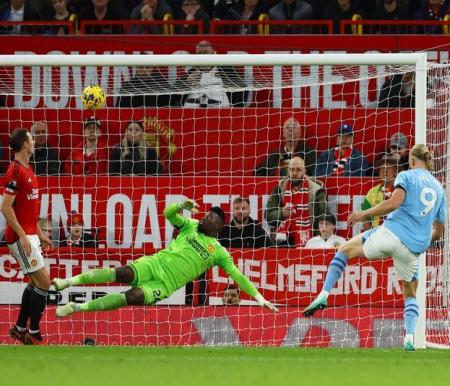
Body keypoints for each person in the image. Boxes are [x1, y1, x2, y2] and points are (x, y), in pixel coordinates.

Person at [303, 144, 446, 352]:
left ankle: (323, 294)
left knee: (344, 250)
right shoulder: (438, 188)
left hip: (391, 234)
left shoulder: (406, 175)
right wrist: (423, 239)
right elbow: (440, 230)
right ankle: (408, 338)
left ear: (412, 161)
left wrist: (364, 214)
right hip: (413, 248)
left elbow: (394, 204)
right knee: (410, 293)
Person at [54, 199, 278, 317]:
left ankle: (77, 307)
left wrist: (259, 298)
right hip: (155, 263)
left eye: (209, 216)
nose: (204, 216)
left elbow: (237, 276)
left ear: (217, 226)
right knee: (120, 273)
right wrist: (182, 205)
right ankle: (68, 282)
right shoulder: (190, 225)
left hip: (165, 284)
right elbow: (168, 214)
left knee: (130, 297)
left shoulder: (219, 251)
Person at [1, 128, 52, 345]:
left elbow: (28, 210)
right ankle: (33, 332)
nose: (34, 142)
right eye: (31, 139)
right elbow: (5, 207)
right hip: (19, 236)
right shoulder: (14, 171)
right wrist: (22, 235)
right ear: (24, 145)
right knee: (44, 281)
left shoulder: (28, 170)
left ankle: (21, 328)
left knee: (35, 281)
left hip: (30, 234)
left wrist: (40, 233)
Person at [266, 156, 328, 247]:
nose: (294, 173)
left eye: (298, 170)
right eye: (291, 169)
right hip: (283, 239)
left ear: (304, 171)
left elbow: (323, 217)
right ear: (288, 171)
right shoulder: (280, 188)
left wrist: (315, 238)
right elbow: (268, 216)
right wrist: (281, 213)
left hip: (309, 239)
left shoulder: (316, 190)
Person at [173, 40, 247, 107]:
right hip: (191, 114)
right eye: (199, 53)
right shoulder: (190, 73)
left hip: (222, 113)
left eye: (205, 52)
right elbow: (173, 96)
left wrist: (227, 80)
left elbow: (243, 91)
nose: (202, 56)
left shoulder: (226, 70)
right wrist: (186, 82)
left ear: (213, 53)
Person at [361, 156, 399, 231]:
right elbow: (365, 218)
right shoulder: (372, 192)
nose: (384, 171)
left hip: (397, 234)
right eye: (381, 168)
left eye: (388, 167)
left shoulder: (401, 190)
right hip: (377, 235)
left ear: (396, 171)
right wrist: (371, 237)